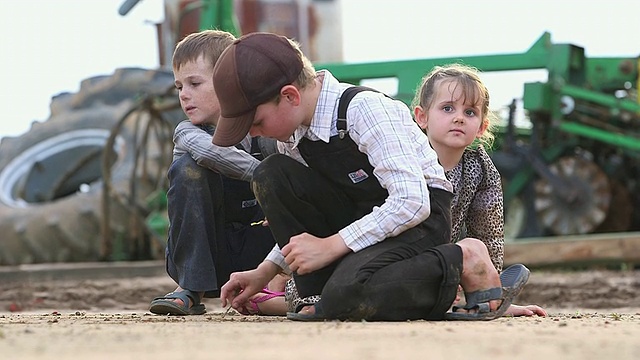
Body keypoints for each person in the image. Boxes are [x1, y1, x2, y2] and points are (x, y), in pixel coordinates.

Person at [214, 32, 530, 321]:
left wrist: (331, 245)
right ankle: (328, 295)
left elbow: (411, 202)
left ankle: (462, 257)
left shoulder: (364, 110)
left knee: (348, 297)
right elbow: (306, 222)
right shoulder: (291, 135)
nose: (254, 133)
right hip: (360, 226)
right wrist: (265, 271)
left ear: (290, 96)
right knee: (271, 174)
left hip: (418, 222)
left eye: (255, 122)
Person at [148, 30, 287, 316]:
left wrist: (284, 195)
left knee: (286, 165)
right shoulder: (187, 132)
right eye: (179, 87)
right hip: (212, 250)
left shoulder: (263, 127)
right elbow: (215, 153)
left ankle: (278, 281)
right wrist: (272, 179)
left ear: (228, 81)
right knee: (189, 169)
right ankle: (190, 288)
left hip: (260, 250)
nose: (184, 95)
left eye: (195, 83)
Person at [412, 63, 546, 318]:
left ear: (482, 127)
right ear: (422, 117)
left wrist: (491, 293)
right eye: (447, 108)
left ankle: (484, 300)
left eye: (470, 112)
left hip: (443, 262)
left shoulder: (480, 167)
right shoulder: (408, 160)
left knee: (474, 245)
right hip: (397, 258)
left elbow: (489, 235)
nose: (459, 117)